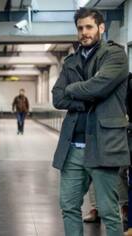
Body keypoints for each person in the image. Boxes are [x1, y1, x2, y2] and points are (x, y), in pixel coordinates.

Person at [52, 7, 129, 236]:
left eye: (89, 27)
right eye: (80, 28)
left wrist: (73, 89)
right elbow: (57, 97)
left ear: (101, 28)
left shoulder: (116, 55)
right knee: (68, 207)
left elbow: (99, 86)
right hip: (73, 147)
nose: (84, 32)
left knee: (108, 212)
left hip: (104, 145)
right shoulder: (71, 61)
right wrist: (84, 99)